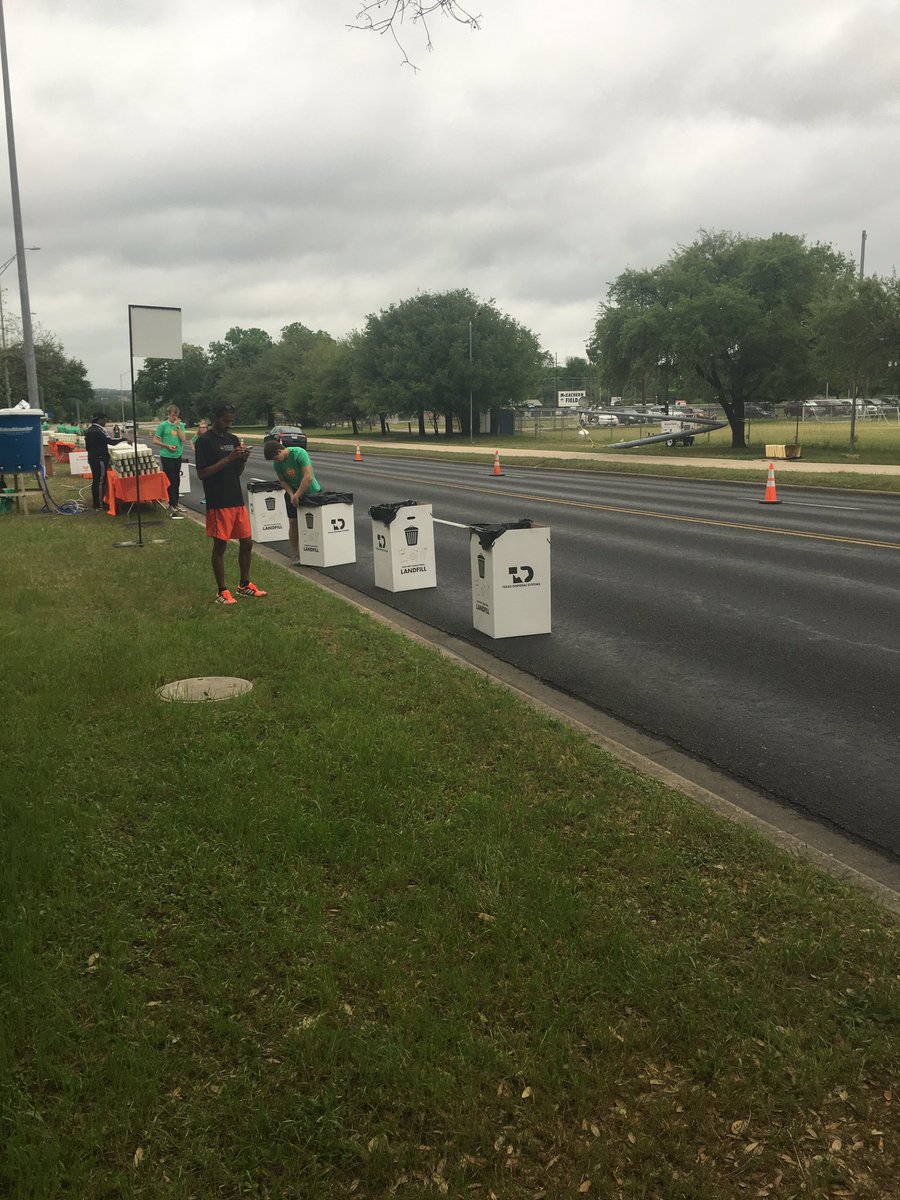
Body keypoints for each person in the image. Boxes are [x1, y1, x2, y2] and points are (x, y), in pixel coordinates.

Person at [194, 403, 267, 604]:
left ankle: (244, 584)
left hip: (236, 498)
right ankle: (222, 591)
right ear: (215, 417)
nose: (229, 424)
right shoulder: (204, 441)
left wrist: (242, 459)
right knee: (220, 545)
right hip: (218, 500)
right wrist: (228, 458)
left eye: (231, 421)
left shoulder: (232, 439)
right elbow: (202, 473)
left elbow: (237, 472)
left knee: (247, 542)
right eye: (225, 420)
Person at [263, 437, 321, 565]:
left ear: (279, 451)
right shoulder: (277, 464)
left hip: (310, 492)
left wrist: (297, 495)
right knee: (293, 521)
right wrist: (291, 495)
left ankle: (316, 553)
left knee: (314, 523)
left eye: (276, 458)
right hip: (293, 493)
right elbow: (283, 481)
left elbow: (308, 477)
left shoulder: (299, 453)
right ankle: (295, 554)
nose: (276, 461)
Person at [84, 413, 126, 513]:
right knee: (100, 481)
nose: (105, 422)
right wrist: (123, 439)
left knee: (96, 480)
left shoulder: (90, 429)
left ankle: (98, 502)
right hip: (99, 458)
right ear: (99, 419)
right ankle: (99, 504)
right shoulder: (98, 430)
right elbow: (110, 441)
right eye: (105, 419)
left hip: (93, 456)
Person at [153, 404, 186, 519]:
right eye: (173, 415)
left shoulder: (181, 425)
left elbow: (183, 439)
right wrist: (166, 446)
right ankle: (171, 503)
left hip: (177, 455)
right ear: (169, 414)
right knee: (170, 479)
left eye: (177, 415)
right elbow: (155, 440)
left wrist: (178, 426)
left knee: (177, 479)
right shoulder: (163, 425)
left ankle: (175, 502)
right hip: (166, 455)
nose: (175, 417)